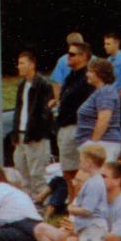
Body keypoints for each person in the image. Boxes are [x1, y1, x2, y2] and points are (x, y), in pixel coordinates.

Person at [8, 49, 57, 183]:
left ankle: (39, 195)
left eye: (22, 63)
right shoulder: (22, 85)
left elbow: (46, 111)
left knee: (37, 173)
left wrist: (38, 131)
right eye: (18, 63)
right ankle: (27, 195)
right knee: (21, 170)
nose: (19, 66)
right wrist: (15, 132)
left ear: (32, 65)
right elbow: (18, 110)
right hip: (21, 134)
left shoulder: (43, 84)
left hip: (36, 136)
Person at [73, 58, 121, 176]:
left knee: (100, 179)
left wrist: (93, 145)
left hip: (104, 144)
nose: (87, 74)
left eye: (90, 71)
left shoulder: (105, 92)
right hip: (100, 144)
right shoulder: (101, 91)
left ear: (100, 74)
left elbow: (104, 119)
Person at [51, 38, 92, 174]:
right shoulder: (70, 77)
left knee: (78, 171)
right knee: (67, 170)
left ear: (83, 56)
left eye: (72, 54)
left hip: (77, 128)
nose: (68, 57)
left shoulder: (88, 78)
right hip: (64, 127)